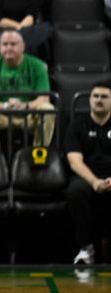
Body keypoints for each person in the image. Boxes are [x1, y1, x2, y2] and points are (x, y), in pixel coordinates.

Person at [0, 30, 54, 149]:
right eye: (5, 44)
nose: (8, 48)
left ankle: (39, 152)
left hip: (29, 115)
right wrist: (4, 106)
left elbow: (44, 99)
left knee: (48, 109)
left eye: (13, 44)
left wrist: (25, 106)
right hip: (1, 115)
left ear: (23, 46)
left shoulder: (37, 65)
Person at [64, 82, 111, 266]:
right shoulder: (77, 125)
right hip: (86, 177)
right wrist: (94, 182)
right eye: (95, 96)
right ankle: (86, 248)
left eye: (104, 97)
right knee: (76, 191)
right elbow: (75, 162)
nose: (99, 100)